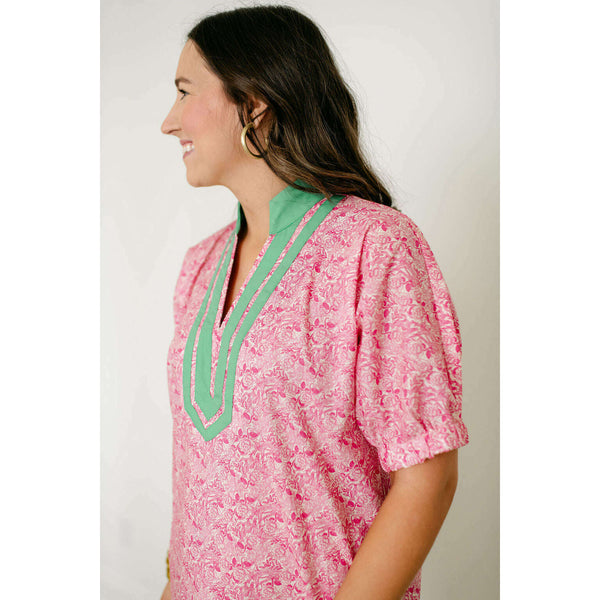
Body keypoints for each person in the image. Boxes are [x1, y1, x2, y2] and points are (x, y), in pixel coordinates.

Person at [159, 5, 469, 600]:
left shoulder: (373, 247)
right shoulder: (199, 266)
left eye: (184, 92)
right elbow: (197, 473)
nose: (169, 122)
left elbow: (427, 478)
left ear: (254, 104)